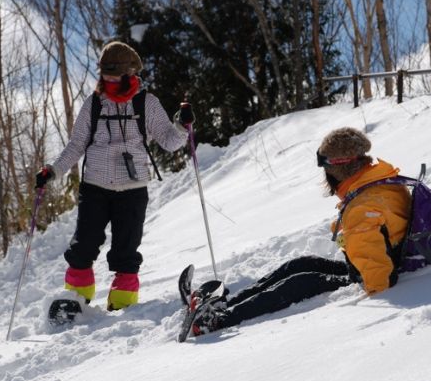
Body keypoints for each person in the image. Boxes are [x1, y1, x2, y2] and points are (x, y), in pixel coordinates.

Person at [191, 127, 412, 335]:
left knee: (303, 282)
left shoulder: (361, 208)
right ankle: (226, 304)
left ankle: (220, 320)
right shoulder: (377, 179)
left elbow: (379, 280)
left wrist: (363, 277)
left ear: (337, 170)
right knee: (300, 264)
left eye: (325, 169)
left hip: (381, 270)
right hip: (389, 257)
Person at [35, 41, 193, 311]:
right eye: (105, 74)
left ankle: (122, 306)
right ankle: (75, 302)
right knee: (83, 246)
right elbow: (76, 145)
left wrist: (182, 125)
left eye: (113, 74)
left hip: (133, 189)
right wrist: (53, 171)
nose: (107, 79)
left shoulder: (147, 103)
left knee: (126, 251)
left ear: (129, 73)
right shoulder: (94, 104)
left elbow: (169, 141)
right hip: (95, 185)